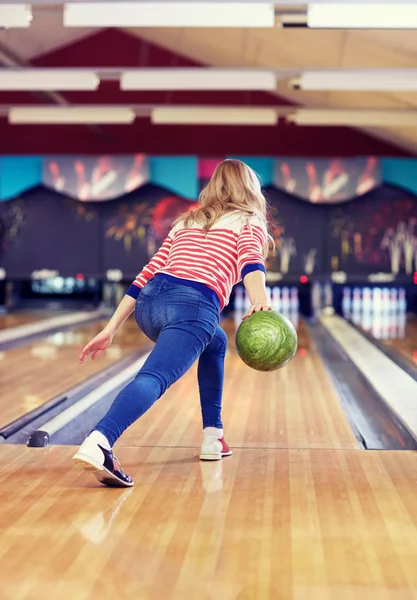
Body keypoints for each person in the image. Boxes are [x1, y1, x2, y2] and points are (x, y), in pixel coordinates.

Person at [73, 159, 275, 488]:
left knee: (217, 342)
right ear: (251, 189)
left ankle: (213, 436)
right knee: (153, 378)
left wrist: (111, 327)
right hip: (192, 306)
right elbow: (251, 261)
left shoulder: (187, 221)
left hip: (151, 305)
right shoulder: (248, 219)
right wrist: (259, 300)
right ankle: (100, 442)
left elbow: (146, 274)